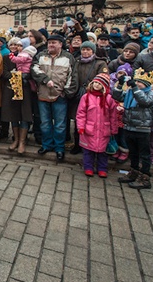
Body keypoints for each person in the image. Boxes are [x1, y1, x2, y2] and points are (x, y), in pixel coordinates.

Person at [31, 34, 78, 162]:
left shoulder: (68, 57)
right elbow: (34, 69)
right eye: (50, 42)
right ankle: (46, 145)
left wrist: (67, 92)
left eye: (54, 43)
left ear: (60, 44)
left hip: (60, 96)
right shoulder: (41, 55)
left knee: (60, 125)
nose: (51, 45)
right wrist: (45, 80)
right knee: (45, 123)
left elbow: (72, 76)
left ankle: (59, 148)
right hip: (43, 94)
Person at [114, 68, 153, 189]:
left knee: (144, 154)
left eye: (140, 82)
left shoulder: (151, 93)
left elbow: (144, 101)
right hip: (129, 126)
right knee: (133, 152)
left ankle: (145, 177)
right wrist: (119, 84)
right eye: (136, 81)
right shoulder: (129, 93)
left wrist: (134, 88)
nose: (137, 84)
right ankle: (133, 172)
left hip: (142, 128)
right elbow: (117, 96)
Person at [76, 73, 117, 178]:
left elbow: (113, 115)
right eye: (95, 83)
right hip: (89, 129)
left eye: (99, 84)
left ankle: (102, 168)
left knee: (103, 152)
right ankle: (88, 167)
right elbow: (81, 113)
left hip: (104, 130)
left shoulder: (109, 99)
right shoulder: (86, 97)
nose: (96, 85)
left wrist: (113, 129)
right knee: (88, 151)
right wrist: (80, 126)